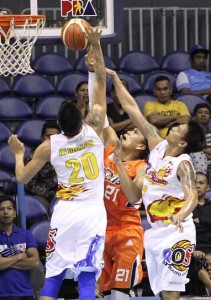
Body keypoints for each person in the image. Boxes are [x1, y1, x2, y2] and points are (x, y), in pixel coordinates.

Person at [8, 27, 107, 300]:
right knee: (87, 276)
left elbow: (21, 178)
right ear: (81, 120)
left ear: (59, 126)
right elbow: (99, 81)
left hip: (64, 212)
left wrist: (18, 153)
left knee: (54, 274)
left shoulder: (50, 145)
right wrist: (95, 45)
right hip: (92, 213)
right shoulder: (95, 127)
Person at [106, 68, 206, 300]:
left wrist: (181, 215)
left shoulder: (183, 163)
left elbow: (191, 194)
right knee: (162, 293)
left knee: (171, 292)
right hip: (155, 233)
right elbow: (132, 108)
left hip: (177, 233)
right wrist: (114, 78)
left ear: (182, 142)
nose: (175, 127)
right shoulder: (157, 146)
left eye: (179, 129)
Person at [87, 51, 148, 300]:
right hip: (102, 229)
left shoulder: (142, 167)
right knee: (102, 292)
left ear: (141, 146)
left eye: (134, 133)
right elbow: (97, 109)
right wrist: (94, 69)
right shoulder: (110, 144)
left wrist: (119, 165)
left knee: (120, 293)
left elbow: (134, 197)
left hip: (127, 231)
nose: (128, 132)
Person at [0, 194, 40, 299]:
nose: (5, 212)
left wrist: (5, 262)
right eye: (2, 209)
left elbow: (35, 262)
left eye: (9, 208)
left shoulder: (26, 235)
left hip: (25, 294)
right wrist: (19, 257)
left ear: (14, 214)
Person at [24, 121, 61, 210]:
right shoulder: (34, 157)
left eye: (55, 137)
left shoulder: (67, 154)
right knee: (37, 207)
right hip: (44, 196)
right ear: (42, 138)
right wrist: (48, 194)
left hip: (64, 193)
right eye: (48, 136)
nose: (52, 140)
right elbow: (30, 184)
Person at [193, 172, 211, 260]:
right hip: (196, 249)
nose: (197, 186)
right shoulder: (183, 208)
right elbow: (188, 228)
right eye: (194, 183)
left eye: (201, 183)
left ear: (207, 187)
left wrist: (202, 219)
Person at [193, 103, 211, 174]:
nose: (203, 115)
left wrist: (201, 149)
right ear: (195, 116)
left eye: (207, 113)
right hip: (195, 167)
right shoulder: (189, 133)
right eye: (200, 112)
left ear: (210, 117)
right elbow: (190, 152)